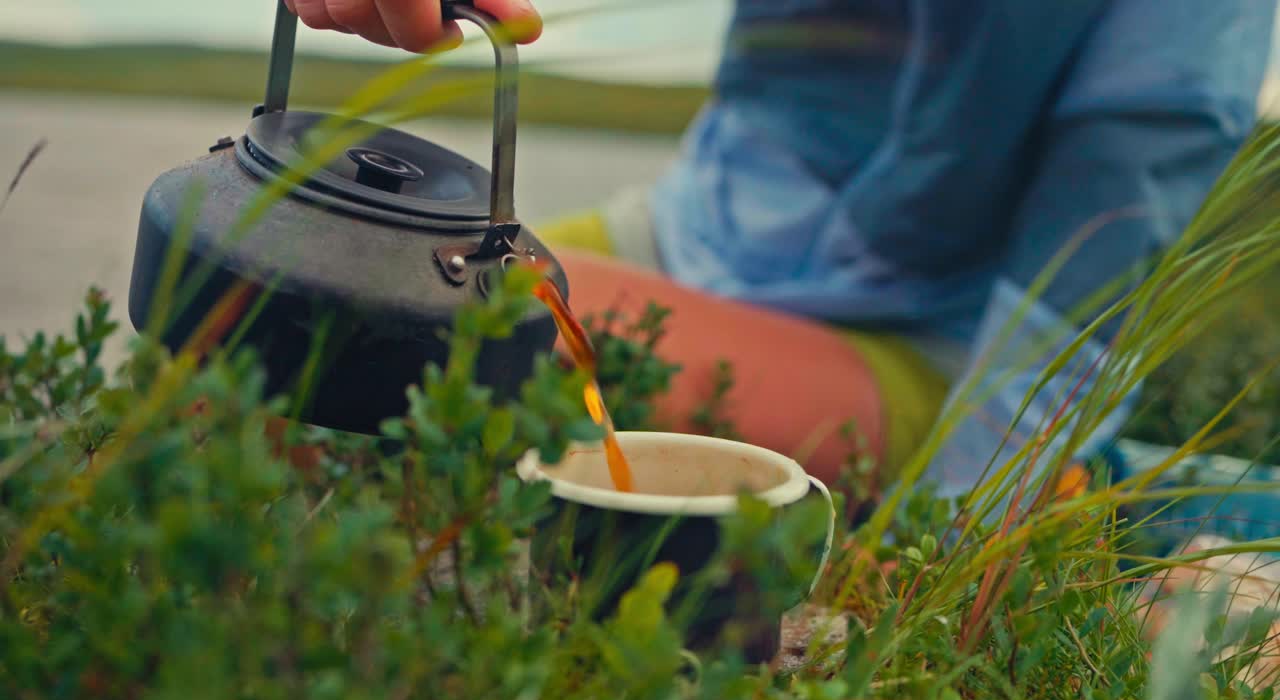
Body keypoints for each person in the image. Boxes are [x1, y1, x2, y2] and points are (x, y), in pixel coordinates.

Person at [285, 0, 1277, 514]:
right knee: (281, 297)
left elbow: (1098, 249)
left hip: (925, 342)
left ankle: (1124, 500)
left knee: (401, 327)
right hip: (692, 227)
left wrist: (962, 520)